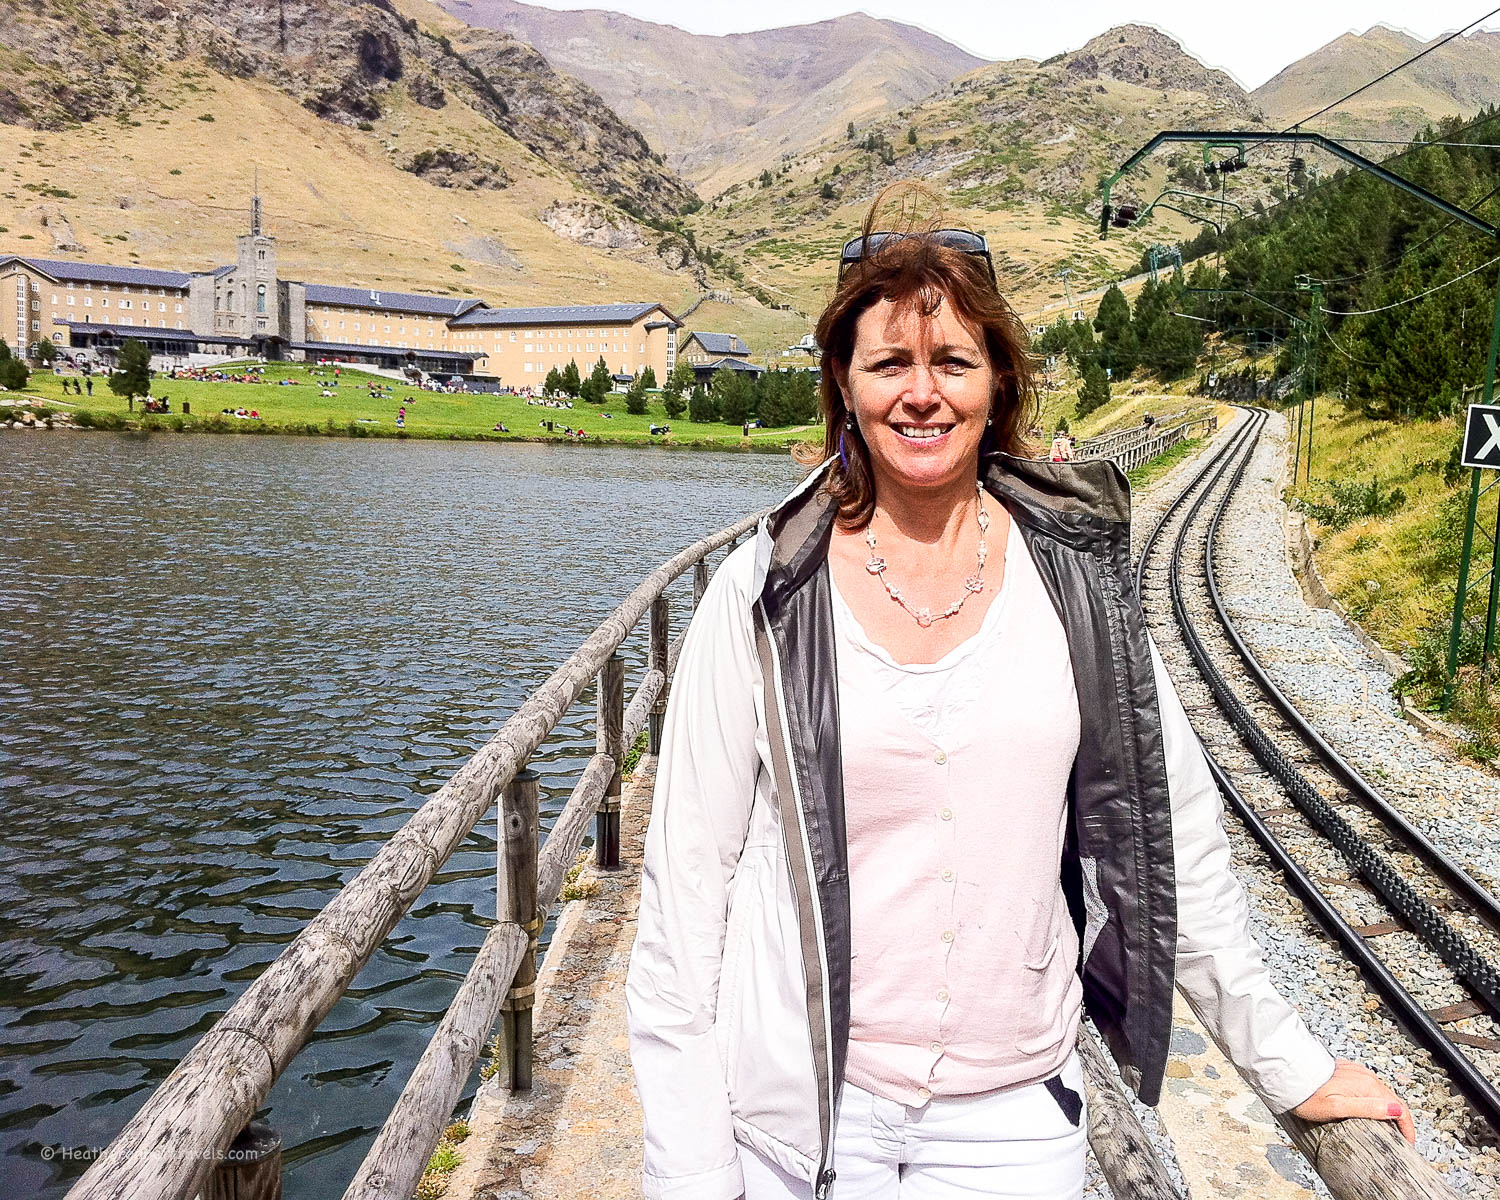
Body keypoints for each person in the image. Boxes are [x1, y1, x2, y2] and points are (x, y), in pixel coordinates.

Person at [625, 183, 1413, 1200]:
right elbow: (682, 906)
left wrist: (1290, 1067)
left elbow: (1177, 838)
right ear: (843, 383)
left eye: (953, 361)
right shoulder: (766, 593)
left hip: (1011, 1132)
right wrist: (693, 1176)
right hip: (803, 1130)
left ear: (999, 382)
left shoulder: (1075, 584)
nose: (922, 393)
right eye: (890, 363)